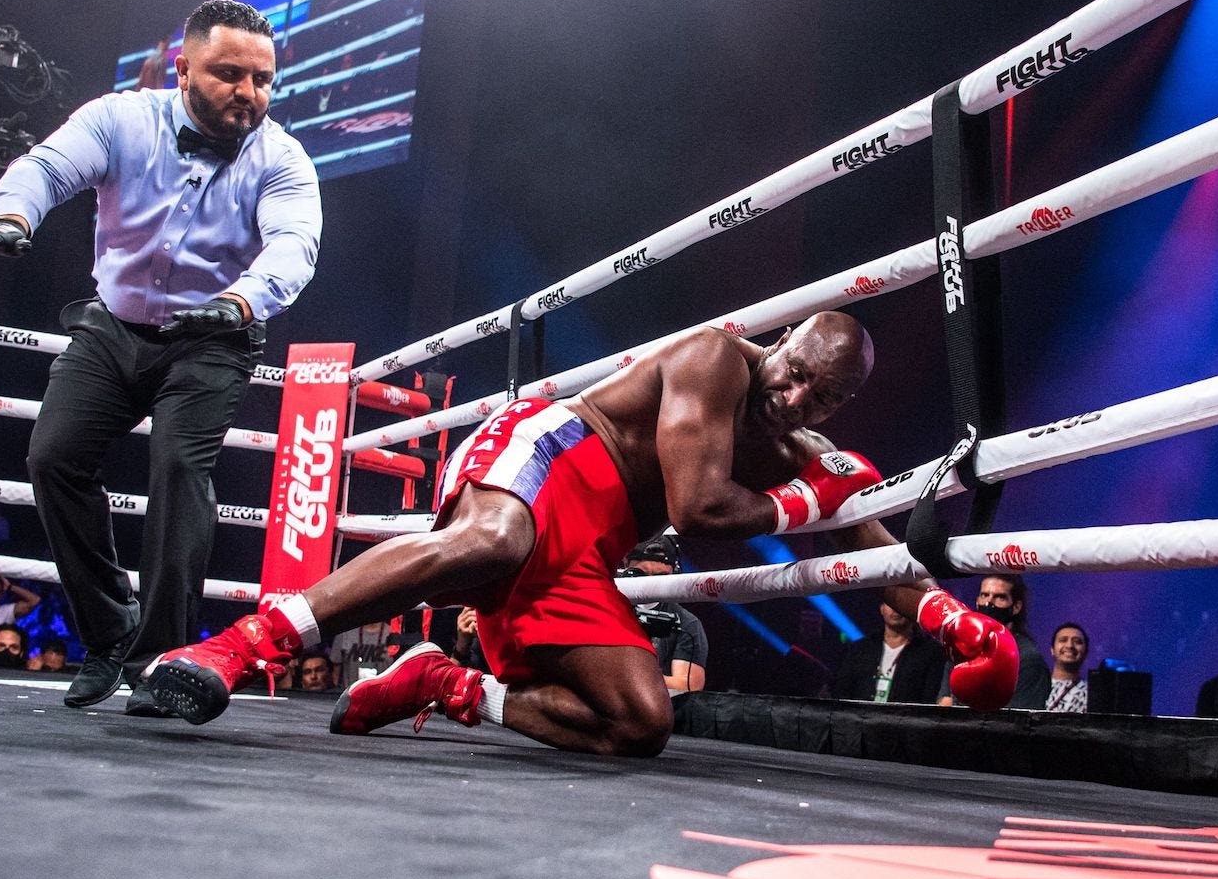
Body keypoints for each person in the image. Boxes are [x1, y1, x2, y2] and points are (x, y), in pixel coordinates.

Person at [143, 312, 1021, 755]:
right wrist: (805, 499)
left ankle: (447, 687)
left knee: (639, 724)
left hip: (589, 551)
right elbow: (701, 514)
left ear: (841, 403)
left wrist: (958, 624)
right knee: (487, 546)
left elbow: (864, 537)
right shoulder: (717, 361)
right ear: (780, 340)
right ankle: (233, 647)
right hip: (551, 459)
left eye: (820, 398)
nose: (793, 399)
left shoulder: (797, 447)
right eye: (792, 373)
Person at [0, 0, 323, 714]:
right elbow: (47, 167)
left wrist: (240, 300)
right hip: (114, 324)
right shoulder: (120, 119)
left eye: (263, 79)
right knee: (53, 457)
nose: (249, 93)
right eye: (230, 73)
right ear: (182, 70)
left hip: (214, 334)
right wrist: (14, 216)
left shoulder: (283, 158)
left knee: (179, 467)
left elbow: (294, 244)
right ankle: (109, 627)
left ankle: (163, 658)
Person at [937, 574, 1050, 710]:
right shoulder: (962, 647)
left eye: (999, 597)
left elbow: (1020, 718)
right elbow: (945, 704)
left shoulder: (1027, 657)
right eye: (984, 595)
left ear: (1016, 607)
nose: (989, 603)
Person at [619, 535, 709, 692]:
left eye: (660, 577)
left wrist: (622, 676)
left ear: (673, 572)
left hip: (650, 707)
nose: (650, 583)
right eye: (641, 574)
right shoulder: (602, 606)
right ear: (626, 565)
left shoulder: (686, 623)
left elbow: (688, 685)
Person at [830, 600, 946, 704]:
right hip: (859, 723)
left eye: (901, 603)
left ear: (912, 610)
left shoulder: (931, 652)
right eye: (890, 603)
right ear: (882, 608)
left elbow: (929, 698)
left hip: (905, 724)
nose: (896, 609)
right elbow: (841, 691)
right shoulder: (860, 649)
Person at [1044, 622, 1088, 713]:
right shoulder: (1038, 685)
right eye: (1063, 640)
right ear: (1052, 649)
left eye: (1077, 642)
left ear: (1086, 652)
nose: (1070, 646)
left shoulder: (1091, 693)